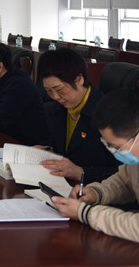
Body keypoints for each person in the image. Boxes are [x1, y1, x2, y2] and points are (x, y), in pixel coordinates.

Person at [51, 90, 139, 254]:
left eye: (117, 147)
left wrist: (85, 213)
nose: (115, 153)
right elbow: (124, 182)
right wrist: (96, 193)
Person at [36, 48, 118, 183]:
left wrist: (82, 173)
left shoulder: (110, 115)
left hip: (94, 189)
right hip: (61, 184)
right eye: (49, 91)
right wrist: (46, 149)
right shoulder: (58, 109)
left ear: (79, 79)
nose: (55, 97)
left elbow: (125, 173)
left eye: (59, 89)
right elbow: (58, 143)